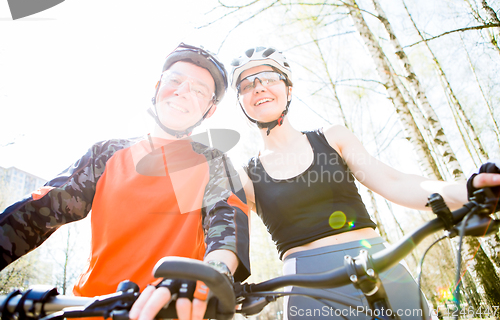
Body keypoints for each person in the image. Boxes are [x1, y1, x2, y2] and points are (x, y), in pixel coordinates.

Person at [229, 46, 500, 319]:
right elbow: (227, 243)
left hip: (382, 267)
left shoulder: (332, 137)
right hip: (309, 293)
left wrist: (467, 189)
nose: (259, 87)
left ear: (288, 88)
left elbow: (395, 181)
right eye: (247, 84)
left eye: (268, 77)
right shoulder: (245, 177)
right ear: (241, 101)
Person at [0, 43, 250, 320]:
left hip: (171, 310)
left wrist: (212, 276)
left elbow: (227, 224)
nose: (183, 92)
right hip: (89, 309)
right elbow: (35, 214)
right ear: (157, 86)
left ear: (209, 110)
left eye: (200, 91)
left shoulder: (214, 163)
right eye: (175, 80)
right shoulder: (106, 154)